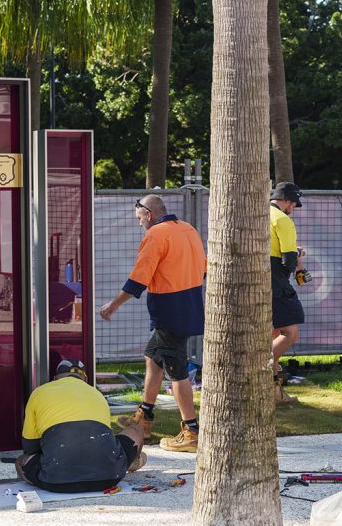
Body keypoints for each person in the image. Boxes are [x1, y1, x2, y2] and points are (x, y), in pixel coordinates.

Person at [99, 194, 207, 453]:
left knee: (177, 370)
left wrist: (113, 304)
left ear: (149, 214)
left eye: (139, 219)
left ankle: (191, 431)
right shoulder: (188, 229)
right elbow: (203, 269)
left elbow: (139, 278)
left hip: (169, 310)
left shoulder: (156, 235)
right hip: (190, 303)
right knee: (152, 357)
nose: (139, 224)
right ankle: (144, 417)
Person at [15, 359, 146, 493]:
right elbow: (104, 441)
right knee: (137, 429)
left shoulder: (39, 392)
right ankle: (130, 462)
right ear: (85, 380)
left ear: (55, 379)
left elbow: (30, 447)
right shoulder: (97, 394)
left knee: (20, 461)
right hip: (109, 478)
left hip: (54, 482)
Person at [269, 181, 306, 404]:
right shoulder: (283, 220)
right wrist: (297, 259)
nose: (293, 208)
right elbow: (289, 259)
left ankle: (274, 392)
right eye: (293, 203)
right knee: (290, 332)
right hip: (277, 283)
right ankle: (263, 366)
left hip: (259, 280)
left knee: (274, 334)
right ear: (286, 200)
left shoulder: (260, 215)